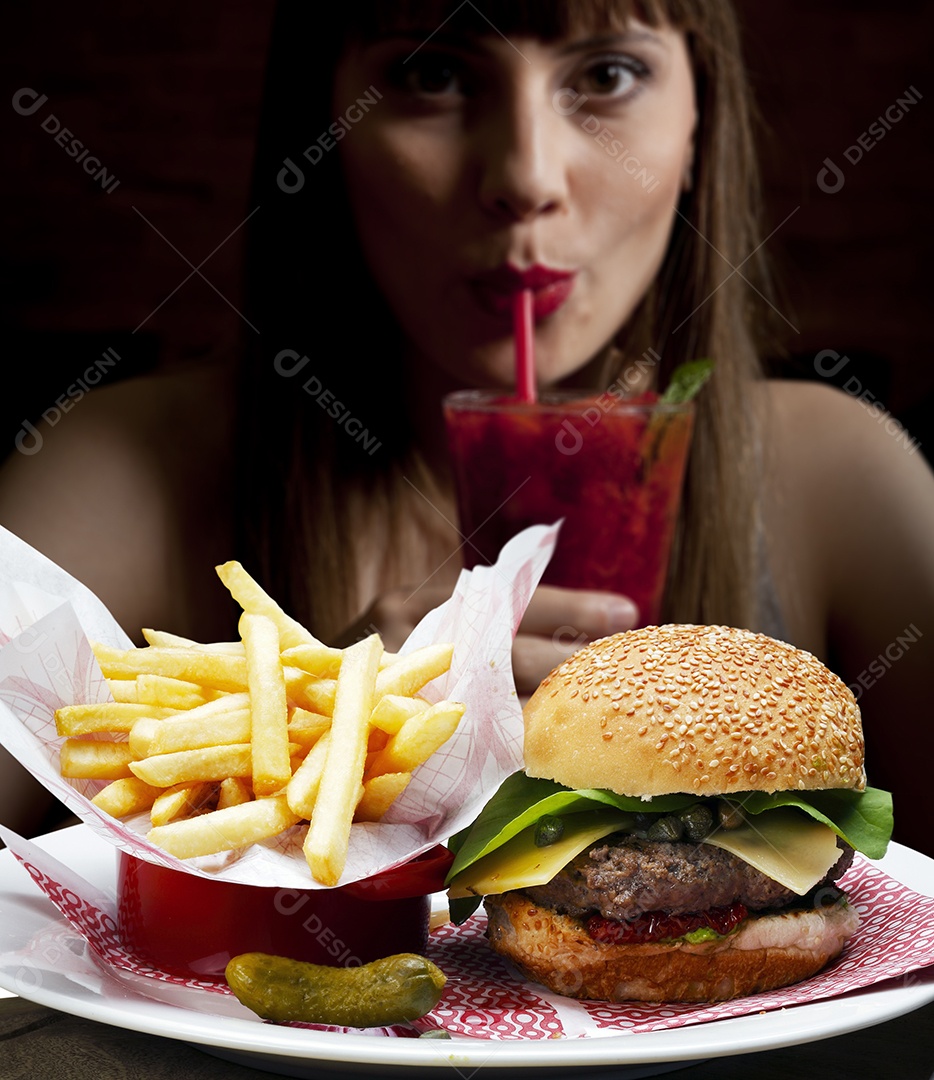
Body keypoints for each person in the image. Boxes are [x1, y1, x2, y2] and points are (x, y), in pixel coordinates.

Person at [1, 0, 932, 856]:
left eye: (607, 75)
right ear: (326, 122)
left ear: (700, 119)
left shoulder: (852, 480)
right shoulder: (109, 477)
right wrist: (334, 739)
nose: (527, 177)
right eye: (433, 73)